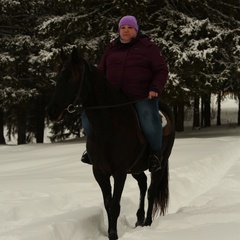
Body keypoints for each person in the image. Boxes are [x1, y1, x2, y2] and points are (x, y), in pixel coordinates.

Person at [81, 15, 169, 172]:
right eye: (123, 27)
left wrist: (155, 88)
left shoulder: (148, 47)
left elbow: (161, 70)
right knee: (87, 117)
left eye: (129, 27)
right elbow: (100, 72)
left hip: (140, 96)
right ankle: (93, 150)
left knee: (149, 118)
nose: (126, 30)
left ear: (136, 30)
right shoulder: (111, 48)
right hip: (113, 99)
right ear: (119, 30)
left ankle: (155, 154)